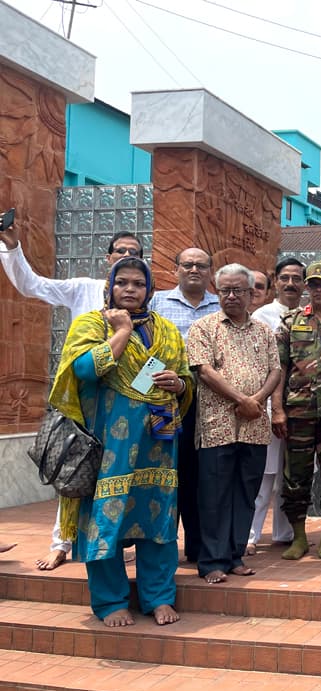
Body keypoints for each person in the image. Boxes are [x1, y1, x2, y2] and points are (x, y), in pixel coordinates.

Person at [48, 257, 192, 626]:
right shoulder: (91, 324)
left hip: (156, 446)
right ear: (109, 286)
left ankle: (159, 597)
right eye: (122, 282)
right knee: (104, 521)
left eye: (138, 284)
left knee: (158, 523)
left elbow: (185, 378)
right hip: (107, 448)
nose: (130, 289)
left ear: (150, 290)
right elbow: (83, 369)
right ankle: (111, 601)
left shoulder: (166, 331)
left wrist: (178, 385)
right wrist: (122, 331)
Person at [0, 227, 143, 572]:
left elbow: (158, 354)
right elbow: (32, 285)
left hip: (126, 408)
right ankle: (61, 543)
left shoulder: (145, 302)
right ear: (107, 258)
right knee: (73, 472)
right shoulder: (84, 289)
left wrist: (149, 394)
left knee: (123, 476)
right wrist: (13, 248)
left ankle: (116, 541)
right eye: (119, 251)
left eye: (133, 251)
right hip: (83, 403)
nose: (125, 256)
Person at [187, 264, 281, 584]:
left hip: (254, 426)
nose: (232, 296)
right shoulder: (203, 327)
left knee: (245, 493)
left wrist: (257, 400)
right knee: (214, 494)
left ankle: (235, 555)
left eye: (239, 290)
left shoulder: (264, 331)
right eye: (225, 290)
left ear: (250, 293)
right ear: (216, 290)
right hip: (217, 425)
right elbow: (203, 370)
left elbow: (275, 371)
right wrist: (242, 399)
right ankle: (212, 561)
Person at [151, 248, 220, 564]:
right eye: (187, 264)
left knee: (198, 474)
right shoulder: (156, 304)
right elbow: (143, 350)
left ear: (210, 271)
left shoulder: (221, 307)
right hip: (165, 402)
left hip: (207, 404)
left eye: (201, 265)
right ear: (176, 268)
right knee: (164, 470)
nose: (194, 269)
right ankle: (161, 546)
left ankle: (196, 546)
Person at [273, 261, 321, 561]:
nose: (318, 289)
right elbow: (279, 369)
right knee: (295, 476)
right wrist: (277, 409)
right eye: (313, 284)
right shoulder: (291, 321)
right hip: (298, 412)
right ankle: (299, 536)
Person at [247, 258, 306, 555]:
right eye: (285, 278)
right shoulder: (262, 315)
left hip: (304, 408)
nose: (291, 284)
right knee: (265, 475)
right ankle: (251, 535)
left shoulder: (311, 316)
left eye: (297, 278)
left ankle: (285, 533)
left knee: (292, 475)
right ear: (276, 280)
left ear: (304, 283)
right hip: (268, 405)